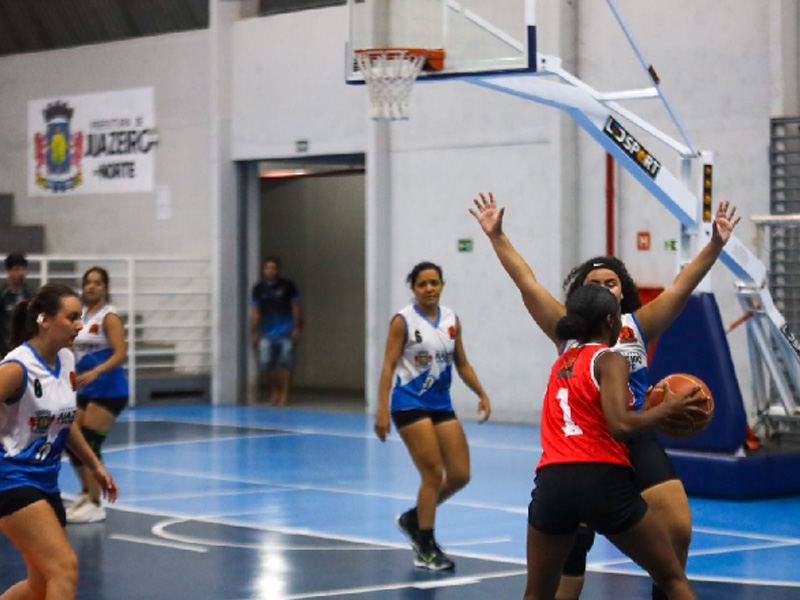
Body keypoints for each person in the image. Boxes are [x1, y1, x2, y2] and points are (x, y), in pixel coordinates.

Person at [470, 192, 740, 600]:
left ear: (622, 292)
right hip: (589, 441)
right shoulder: (567, 332)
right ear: (580, 296)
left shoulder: (637, 323)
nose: (603, 289)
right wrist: (497, 237)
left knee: (678, 529)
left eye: (610, 283)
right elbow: (527, 281)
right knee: (571, 552)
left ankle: (663, 588)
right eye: (593, 284)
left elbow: (683, 285)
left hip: (633, 435)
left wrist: (715, 246)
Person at [525, 284, 702, 600]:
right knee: (672, 577)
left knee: (538, 593)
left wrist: (643, 405)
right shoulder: (610, 359)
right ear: (610, 320)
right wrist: (666, 409)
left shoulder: (561, 364)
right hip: (600, 479)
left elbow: (588, 411)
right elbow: (620, 425)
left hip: (551, 482)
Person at [0, 283, 118, 600]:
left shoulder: (66, 360)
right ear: (45, 320)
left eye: (80, 317)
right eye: (71, 317)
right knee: (64, 568)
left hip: (46, 482)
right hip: (11, 480)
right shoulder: (17, 367)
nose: (79, 324)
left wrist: (94, 465)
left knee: (40, 586)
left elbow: (64, 422)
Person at [375, 261, 492, 571]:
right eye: (422, 284)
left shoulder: (452, 320)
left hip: (441, 403)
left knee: (460, 474)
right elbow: (388, 366)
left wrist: (481, 392)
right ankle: (425, 545)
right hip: (408, 402)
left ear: (441, 285)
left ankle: (414, 517)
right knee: (432, 473)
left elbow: (462, 363)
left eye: (434, 283)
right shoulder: (403, 321)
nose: (429, 288)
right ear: (413, 288)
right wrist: (382, 410)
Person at [65, 267, 129, 524]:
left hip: (109, 390)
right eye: (88, 283)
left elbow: (120, 353)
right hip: (86, 390)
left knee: (91, 444)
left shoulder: (108, 316)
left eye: (97, 283)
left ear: (105, 287)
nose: (91, 287)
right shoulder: (80, 315)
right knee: (71, 442)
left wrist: (96, 371)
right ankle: (85, 492)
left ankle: (96, 501)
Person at [250, 257, 302, 406]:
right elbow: (255, 312)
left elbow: (296, 307)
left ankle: (285, 393)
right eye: (268, 268)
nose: (271, 271)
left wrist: (297, 327)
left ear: (278, 270)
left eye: (274, 268)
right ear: (264, 270)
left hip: (286, 332)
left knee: (286, 364)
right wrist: (255, 333)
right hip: (267, 333)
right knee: (266, 365)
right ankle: (275, 389)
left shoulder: (288, 286)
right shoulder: (258, 288)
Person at [0, 254, 34, 358]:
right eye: (16, 269)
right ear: (8, 271)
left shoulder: (30, 294)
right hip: (5, 346)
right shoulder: (2, 295)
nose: (20, 273)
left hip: (26, 346)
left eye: (23, 269)